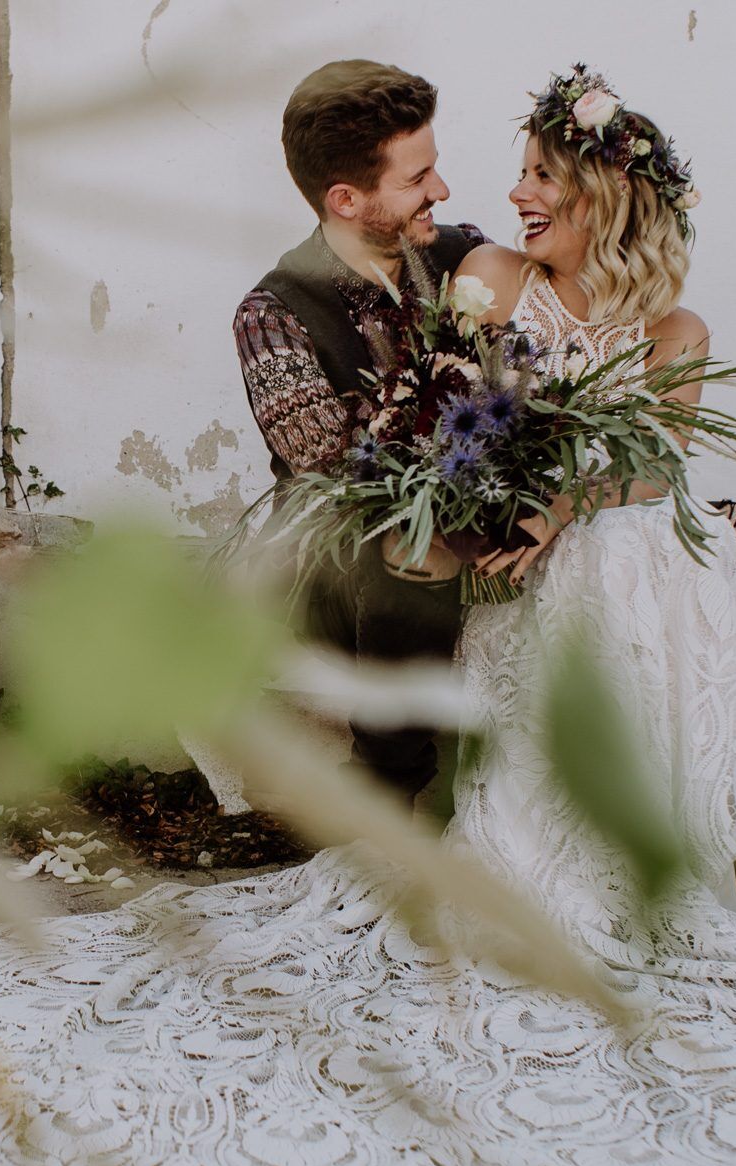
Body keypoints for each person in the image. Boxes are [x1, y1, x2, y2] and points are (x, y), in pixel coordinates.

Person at [0, 66, 736, 1166]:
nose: (484, 194)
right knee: (484, 711)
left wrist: (557, 502)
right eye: (433, 173)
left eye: (534, 174)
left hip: (599, 546)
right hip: (410, 553)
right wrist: (489, 516)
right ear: (351, 197)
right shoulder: (365, 300)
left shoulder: (622, 311)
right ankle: (458, 827)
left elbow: (640, 457)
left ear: (606, 197)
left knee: (661, 585)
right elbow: (395, 453)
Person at [232, 60, 479, 803]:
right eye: (418, 177)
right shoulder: (271, 315)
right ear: (346, 199)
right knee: (403, 552)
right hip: (340, 560)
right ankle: (388, 800)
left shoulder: (463, 256)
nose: (441, 190)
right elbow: (345, 482)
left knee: (719, 532)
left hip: (474, 515)